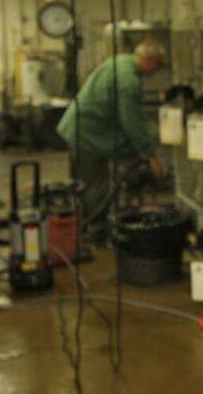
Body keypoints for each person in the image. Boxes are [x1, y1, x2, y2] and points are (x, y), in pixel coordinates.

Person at [57, 38, 169, 241]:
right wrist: (150, 154)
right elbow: (131, 121)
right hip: (87, 134)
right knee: (95, 185)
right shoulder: (129, 80)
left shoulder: (120, 61)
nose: (156, 72)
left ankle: (83, 227)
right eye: (157, 66)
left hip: (80, 129)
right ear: (148, 61)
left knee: (83, 184)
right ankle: (96, 234)